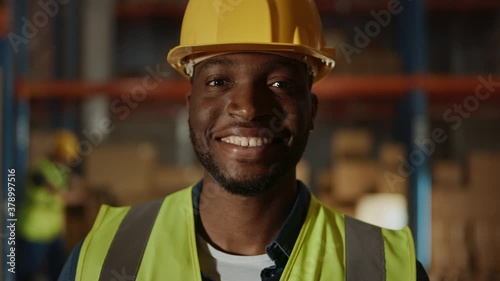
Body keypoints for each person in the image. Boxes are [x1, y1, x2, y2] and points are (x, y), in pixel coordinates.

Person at [59, 0, 429, 280]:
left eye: (280, 84)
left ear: (311, 110)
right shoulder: (104, 257)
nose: (249, 109)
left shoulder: (386, 269)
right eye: (219, 82)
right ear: (191, 107)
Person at [17, 130, 83, 281]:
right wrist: (64, 193)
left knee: (60, 271)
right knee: (26, 273)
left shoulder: (62, 172)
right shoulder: (41, 169)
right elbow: (42, 182)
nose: (67, 160)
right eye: (64, 156)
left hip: (53, 232)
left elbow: (72, 194)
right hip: (34, 231)